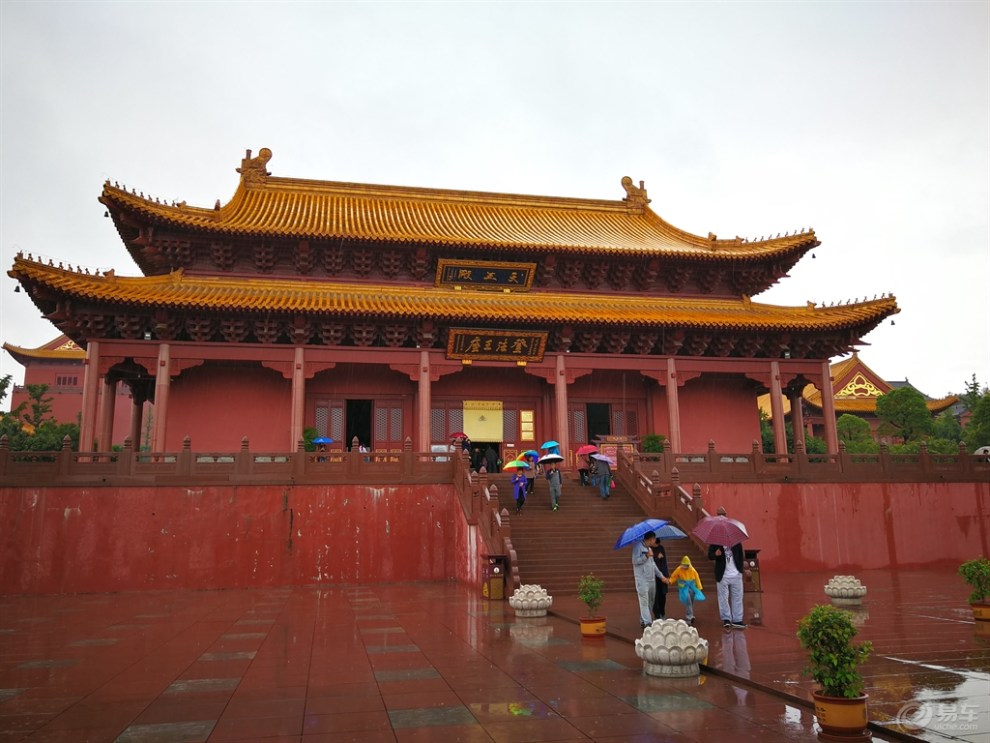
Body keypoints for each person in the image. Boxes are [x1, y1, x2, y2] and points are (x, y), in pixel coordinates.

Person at [708, 505, 747, 629]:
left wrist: (740, 570)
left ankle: (737, 619)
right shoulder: (715, 541)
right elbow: (710, 555)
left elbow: (740, 555)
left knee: (737, 597)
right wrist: (716, 554)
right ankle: (726, 619)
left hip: (735, 573)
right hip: (722, 574)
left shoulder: (735, 539)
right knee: (723, 598)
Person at [632, 531, 667, 628]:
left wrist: (661, 576)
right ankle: (648, 623)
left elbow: (653, 565)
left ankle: (643, 620)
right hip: (642, 580)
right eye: (654, 538)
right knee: (644, 602)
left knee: (650, 602)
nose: (655, 540)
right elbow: (635, 561)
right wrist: (646, 556)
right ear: (650, 539)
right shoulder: (638, 547)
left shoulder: (649, 548)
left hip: (651, 579)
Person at [668, 555, 704, 626]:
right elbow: (674, 576)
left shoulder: (692, 570)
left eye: (686, 566)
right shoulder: (679, 569)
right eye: (684, 566)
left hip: (692, 587)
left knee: (691, 601)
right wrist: (670, 581)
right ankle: (689, 617)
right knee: (688, 601)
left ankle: (691, 615)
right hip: (684, 588)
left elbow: (697, 578)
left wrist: (699, 588)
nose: (685, 567)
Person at [652, 541, 670, 621]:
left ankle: (662, 613)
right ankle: (657, 615)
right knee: (654, 597)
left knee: (662, 596)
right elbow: (650, 563)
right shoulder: (649, 549)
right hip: (653, 576)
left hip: (662, 575)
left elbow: (664, 562)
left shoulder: (661, 548)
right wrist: (656, 558)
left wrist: (666, 576)